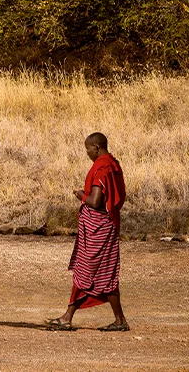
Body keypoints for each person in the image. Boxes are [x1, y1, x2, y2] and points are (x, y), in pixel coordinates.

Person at [46, 132, 129, 332]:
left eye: (88, 149)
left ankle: (69, 317)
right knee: (101, 272)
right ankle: (117, 320)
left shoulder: (101, 167)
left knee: (89, 271)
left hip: (98, 228)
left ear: (96, 147)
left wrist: (81, 195)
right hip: (107, 225)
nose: (87, 153)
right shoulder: (114, 165)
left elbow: (96, 201)